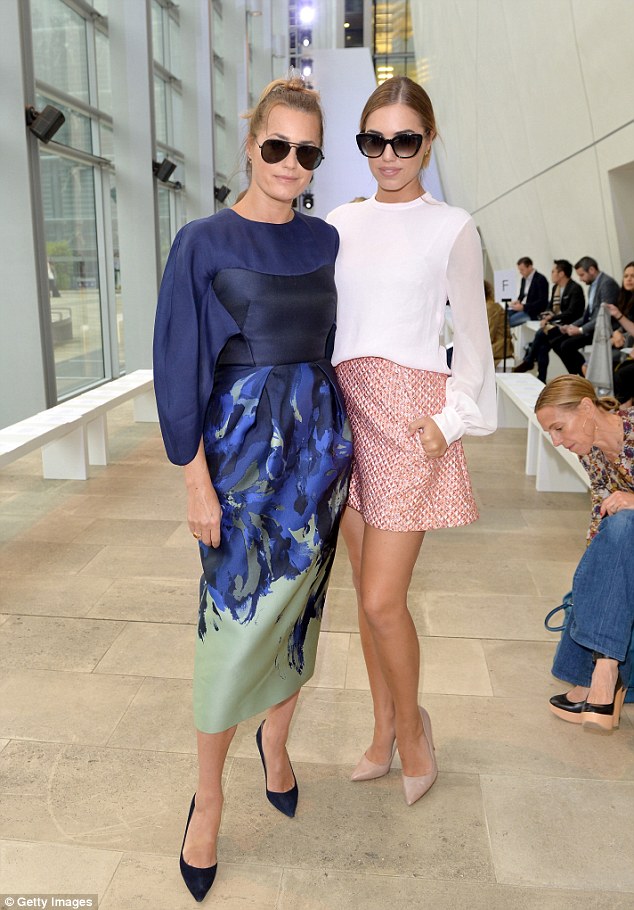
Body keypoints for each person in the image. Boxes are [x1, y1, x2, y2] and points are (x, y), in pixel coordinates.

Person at [153, 76, 352, 902]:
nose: (291, 163)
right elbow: (178, 368)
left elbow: (337, 345)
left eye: (307, 152)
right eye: (277, 146)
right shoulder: (202, 241)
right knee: (230, 628)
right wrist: (195, 483)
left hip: (318, 459)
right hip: (239, 463)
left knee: (299, 613)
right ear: (249, 144)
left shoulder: (325, 242)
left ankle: (276, 740)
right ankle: (208, 797)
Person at [326, 76, 496, 806]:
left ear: (429, 142)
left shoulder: (451, 226)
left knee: (383, 599)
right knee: (364, 599)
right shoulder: (340, 220)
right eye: (374, 140)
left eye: (404, 140)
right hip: (345, 412)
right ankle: (383, 730)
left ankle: (415, 731)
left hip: (407, 422)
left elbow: (475, 339)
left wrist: (450, 421)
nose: (388, 154)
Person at [535, 375, 634, 732]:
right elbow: (599, 516)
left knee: (625, 524)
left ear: (587, 408)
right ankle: (604, 675)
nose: (556, 441)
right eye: (550, 433)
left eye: (559, 428)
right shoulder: (591, 453)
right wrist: (592, 578)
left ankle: (602, 673)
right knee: (597, 568)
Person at [513, 259, 584, 381]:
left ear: (561, 274)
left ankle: (529, 361)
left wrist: (552, 318)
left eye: (553, 271)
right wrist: (545, 316)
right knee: (543, 346)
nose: (551, 274)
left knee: (541, 334)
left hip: (570, 325)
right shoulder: (556, 287)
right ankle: (540, 378)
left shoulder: (575, 289)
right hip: (556, 324)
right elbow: (550, 307)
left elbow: (572, 313)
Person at [549, 257, 620, 376]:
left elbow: (604, 316)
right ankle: (578, 376)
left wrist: (581, 330)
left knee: (566, 345)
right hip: (593, 327)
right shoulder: (592, 286)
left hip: (604, 329)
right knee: (555, 340)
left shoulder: (607, 284)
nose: (581, 279)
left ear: (591, 270)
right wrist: (571, 326)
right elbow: (587, 314)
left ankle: (584, 376)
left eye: (582, 275)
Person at [608, 261, 634, 405]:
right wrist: (616, 332)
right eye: (626, 276)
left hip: (628, 347)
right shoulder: (625, 298)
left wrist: (619, 316)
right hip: (629, 347)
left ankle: (624, 413)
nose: (629, 279)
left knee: (621, 374)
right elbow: (625, 326)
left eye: (633, 276)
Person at [508, 256, 549, 328]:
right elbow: (522, 295)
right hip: (523, 308)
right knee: (501, 316)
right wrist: (518, 301)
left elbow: (542, 301)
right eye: (519, 270)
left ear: (530, 267)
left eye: (522, 270)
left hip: (533, 312)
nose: (520, 272)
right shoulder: (523, 279)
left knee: (509, 321)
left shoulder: (541, 279)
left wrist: (524, 307)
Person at [484, 279, 514, 366]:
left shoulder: (491, 307)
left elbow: (489, 333)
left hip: (499, 346)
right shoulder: (488, 305)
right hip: (496, 344)